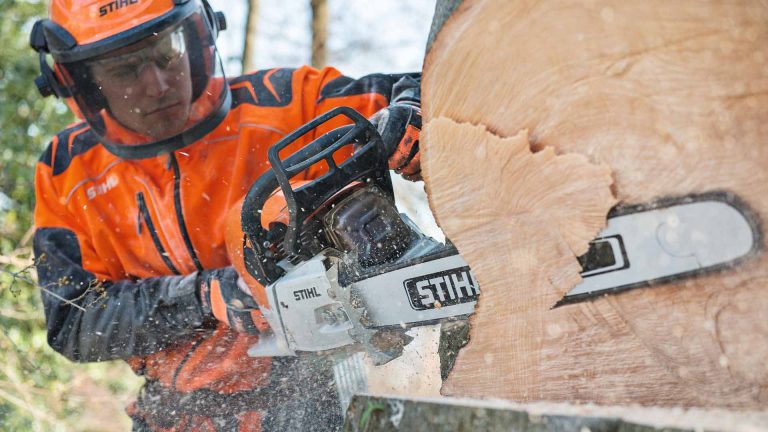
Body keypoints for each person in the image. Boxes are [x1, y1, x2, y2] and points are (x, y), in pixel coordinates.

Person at [28, 0, 422, 430]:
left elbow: (415, 86)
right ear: (84, 81)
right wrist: (203, 297)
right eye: (126, 71)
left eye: (167, 55)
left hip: (319, 386)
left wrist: (409, 116)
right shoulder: (67, 170)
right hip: (175, 413)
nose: (158, 84)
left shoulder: (282, 103)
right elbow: (74, 320)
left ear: (197, 39)